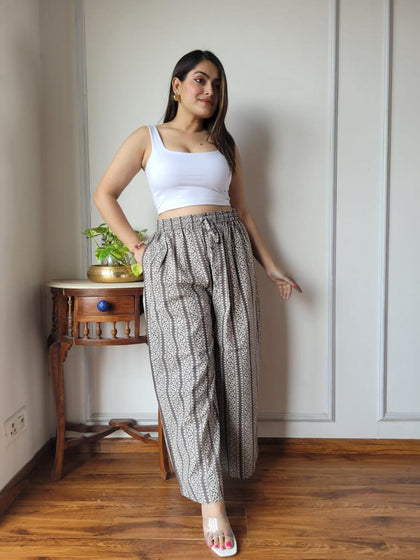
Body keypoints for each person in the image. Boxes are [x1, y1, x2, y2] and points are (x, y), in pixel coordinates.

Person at [93, 49, 302, 557]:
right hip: (172, 257)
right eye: (200, 80)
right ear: (177, 85)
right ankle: (212, 503)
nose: (209, 91)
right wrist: (140, 249)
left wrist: (272, 266)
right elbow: (105, 194)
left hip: (229, 251)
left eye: (216, 84)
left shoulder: (223, 143)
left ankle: (228, 471)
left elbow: (244, 213)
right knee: (189, 377)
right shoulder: (147, 138)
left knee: (235, 367)